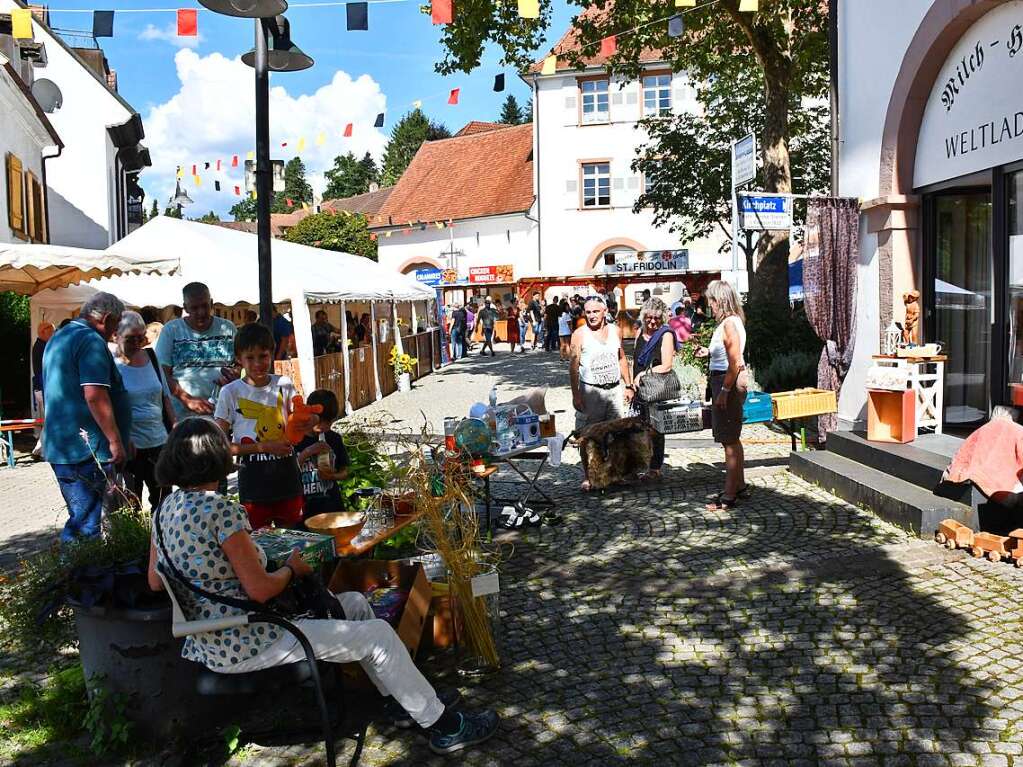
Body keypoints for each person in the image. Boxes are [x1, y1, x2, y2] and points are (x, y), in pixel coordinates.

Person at [146, 419, 499, 755]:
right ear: (216, 457)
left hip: (208, 641)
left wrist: (219, 567)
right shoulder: (219, 511)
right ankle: (445, 726)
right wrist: (290, 568)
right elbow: (261, 591)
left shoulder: (162, 513)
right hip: (251, 638)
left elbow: (154, 581)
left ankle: (400, 701)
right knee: (377, 634)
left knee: (356, 604)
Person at [42, 293, 132, 543]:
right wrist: (115, 440)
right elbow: (95, 395)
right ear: (107, 318)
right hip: (84, 450)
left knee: (82, 518)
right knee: (85, 524)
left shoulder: (61, 335)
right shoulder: (90, 340)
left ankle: (80, 576)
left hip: (63, 445)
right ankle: (82, 579)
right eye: (117, 324)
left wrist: (126, 433)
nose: (116, 332)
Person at [214, 323, 304, 530]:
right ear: (239, 358)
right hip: (253, 484)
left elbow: (303, 422)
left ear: (272, 353)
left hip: (288, 479)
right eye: (250, 358)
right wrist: (264, 447)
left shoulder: (284, 384)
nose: (257, 364)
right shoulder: (230, 392)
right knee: (257, 544)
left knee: (292, 538)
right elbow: (221, 447)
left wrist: (310, 420)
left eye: (263, 356)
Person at [696, 280, 749, 511]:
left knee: (728, 441)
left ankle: (729, 495)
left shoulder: (729, 324)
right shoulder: (731, 323)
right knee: (732, 439)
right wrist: (708, 352)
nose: (710, 306)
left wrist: (724, 392)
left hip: (724, 382)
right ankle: (739, 486)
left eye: (711, 302)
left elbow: (735, 362)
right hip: (722, 380)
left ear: (719, 301)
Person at [115, 311, 175, 510]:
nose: (137, 343)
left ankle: (160, 538)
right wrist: (121, 438)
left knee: (163, 501)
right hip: (132, 447)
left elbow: (165, 396)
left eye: (141, 337)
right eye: (130, 339)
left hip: (159, 441)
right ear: (116, 336)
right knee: (132, 504)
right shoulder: (112, 365)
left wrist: (174, 429)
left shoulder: (151, 356)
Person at [570, 296, 632, 491]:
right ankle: (589, 476)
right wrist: (576, 395)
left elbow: (621, 358)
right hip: (591, 392)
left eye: (595, 311)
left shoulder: (615, 331)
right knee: (588, 436)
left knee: (616, 435)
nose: (591, 316)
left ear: (605, 311)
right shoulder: (579, 334)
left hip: (613, 390)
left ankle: (615, 474)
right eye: (588, 312)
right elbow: (573, 367)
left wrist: (628, 385)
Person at [156, 282, 238, 418]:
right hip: (182, 415)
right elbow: (162, 373)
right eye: (194, 308)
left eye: (205, 306)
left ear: (211, 303)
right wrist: (187, 399)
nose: (201, 312)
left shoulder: (228, 328)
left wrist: (234, 375)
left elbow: (241, 363)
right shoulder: (171, 330)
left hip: (222, 413)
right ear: (185, 308)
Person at [625, 298, 679, 481]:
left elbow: (667, 365)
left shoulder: (666, 335)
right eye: (649, 318)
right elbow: (635, 359)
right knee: (638, 428)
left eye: (657, 318)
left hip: (656, 388)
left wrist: (644, 374)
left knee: (655, 429)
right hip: (639, 388)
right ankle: (637, 465)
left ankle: (654, 468)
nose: (653, 322)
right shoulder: (640, 332)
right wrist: (631, 384)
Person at [294, 389, 350, 519]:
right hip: (304, 511)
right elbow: (288, 473)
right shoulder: (295, 439)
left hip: (332, 507)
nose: (324, 427)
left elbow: (345, 470)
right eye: (320, 421)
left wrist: (333, 476)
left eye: (329, 422)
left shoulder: (334, 438)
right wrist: (308, 452)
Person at [31, 321, 54, 459]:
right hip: (44, 387)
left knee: (49, 418)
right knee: (50, 418)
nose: (53, 334)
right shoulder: (41, 347)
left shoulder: (41, 346)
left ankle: (40, 447)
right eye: (52, 331)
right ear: (43, 331)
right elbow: (42, 372)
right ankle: (42, 449)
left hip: (43, 387)